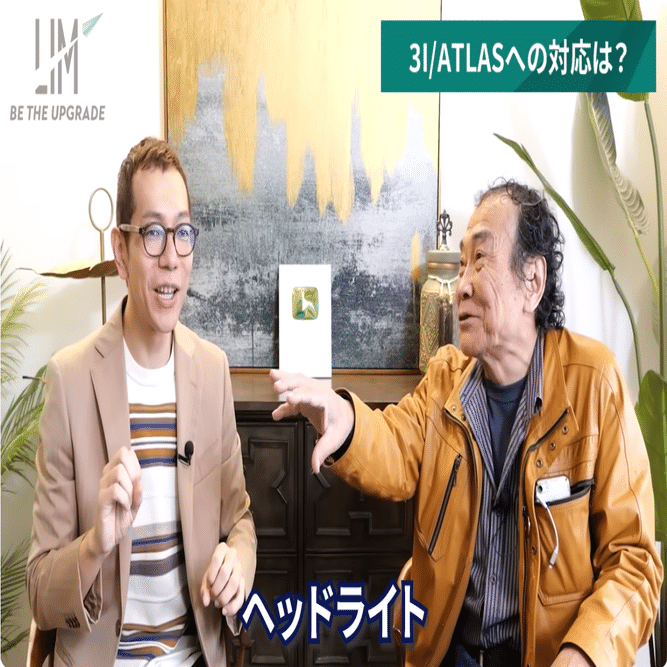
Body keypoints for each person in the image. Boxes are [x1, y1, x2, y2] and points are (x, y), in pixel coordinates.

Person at [270, 180, 662, 667]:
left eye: (480, 260)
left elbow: (634, 561)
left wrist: (584, 653)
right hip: (451, 654)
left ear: (532, 281)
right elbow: (394, 444)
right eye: (461, 265)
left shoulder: (593, 383)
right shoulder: (446, 379)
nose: (462, 286)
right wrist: (344, 418)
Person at [27, 137, 257, 667]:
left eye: (182, 233)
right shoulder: (70, 379)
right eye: (153, 233)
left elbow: (240, 521)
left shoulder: (212, 372)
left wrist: (238, 563)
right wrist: (95, 543)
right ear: (121, 251)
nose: (171, 258)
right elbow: (39, 592)